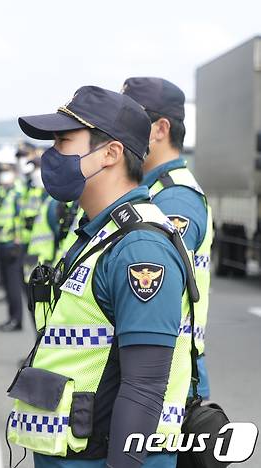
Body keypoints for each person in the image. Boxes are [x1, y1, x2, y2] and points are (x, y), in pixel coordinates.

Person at [8, 86, 196, 468]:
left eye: (63, 141)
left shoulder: (139, 249)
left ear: (110, 153)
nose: (51, 155)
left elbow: (144, 387)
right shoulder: (101, 232)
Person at [123, 76, 213, 398]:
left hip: (166, 379)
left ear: (160, 129)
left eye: (131, 121)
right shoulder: (149, 188)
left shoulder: (174, 199)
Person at [0, 148, 25, 332]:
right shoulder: (1, 191)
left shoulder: (18, 191)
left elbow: (21, 217)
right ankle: (12, 317)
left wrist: (18, 238)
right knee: (8, 285)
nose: (3, 173)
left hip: (13, 243)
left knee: (13, 284)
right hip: (0, 240)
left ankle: (16, 319)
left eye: (6, 169)